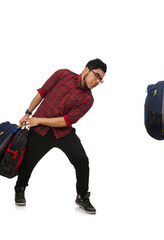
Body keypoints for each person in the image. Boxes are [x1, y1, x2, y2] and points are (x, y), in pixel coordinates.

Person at [14, 59, 107, 214]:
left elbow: (66, 121)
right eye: (96, 75)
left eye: (100, 79)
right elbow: (41, 93)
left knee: (82, 161)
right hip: (40, 130)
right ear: (86, 69)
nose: (97, 81)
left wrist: (38, 120)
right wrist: (28, 113)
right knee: (28, 161)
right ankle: (19, 189)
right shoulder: (62, 74)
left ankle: (82, 196)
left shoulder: (88, 100)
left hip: (63, 132)